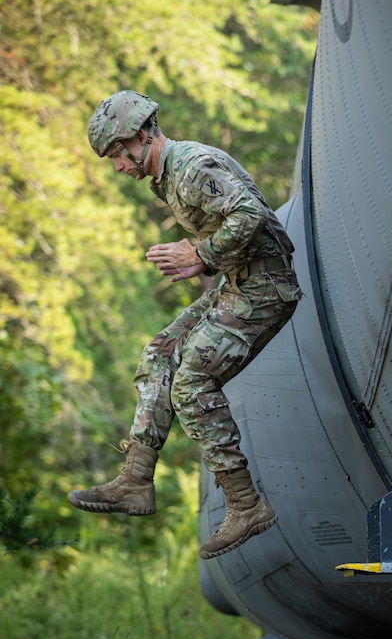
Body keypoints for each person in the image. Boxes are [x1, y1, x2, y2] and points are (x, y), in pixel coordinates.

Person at [68, 90, 302, 560]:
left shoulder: (193, 167)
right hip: (240, 282)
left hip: (264, 289)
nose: (117, 166)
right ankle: (135, 479)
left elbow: (253, 214)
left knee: (192, 382)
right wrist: (205, 257)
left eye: (117, 154)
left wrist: (199, 255)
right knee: (159, 354)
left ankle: (245, 505)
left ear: (140, 136)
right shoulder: (168, 177)